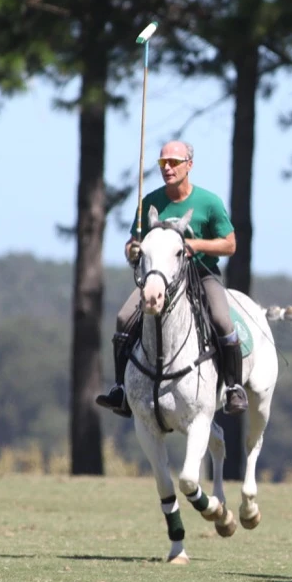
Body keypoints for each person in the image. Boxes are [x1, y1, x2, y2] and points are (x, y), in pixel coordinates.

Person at [95, 140, 248, 418]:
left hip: (202, 274)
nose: (167, 168)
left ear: (189, 165)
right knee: (123, 318)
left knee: (222, 320)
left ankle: (233, 387)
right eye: (162, 163)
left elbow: (230, 244)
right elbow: (132, 243)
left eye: (174, 163)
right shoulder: (149, 202)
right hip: (159, 277)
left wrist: (196, 245)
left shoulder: (209, 203)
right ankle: (121, 389)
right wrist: (132, 251)